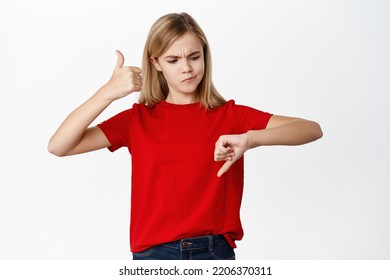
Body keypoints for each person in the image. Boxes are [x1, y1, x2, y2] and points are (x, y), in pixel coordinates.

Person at [48, 12, 323, 260]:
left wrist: (251, 139)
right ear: (155, 63)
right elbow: (59, 146)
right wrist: (107, 92)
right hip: (153, 256)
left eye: (194, 56)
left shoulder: (230, 116)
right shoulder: (137, 120)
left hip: (213, 251)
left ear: (205, 55)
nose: (187, 68)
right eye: (173, 60)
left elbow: (311, 128)